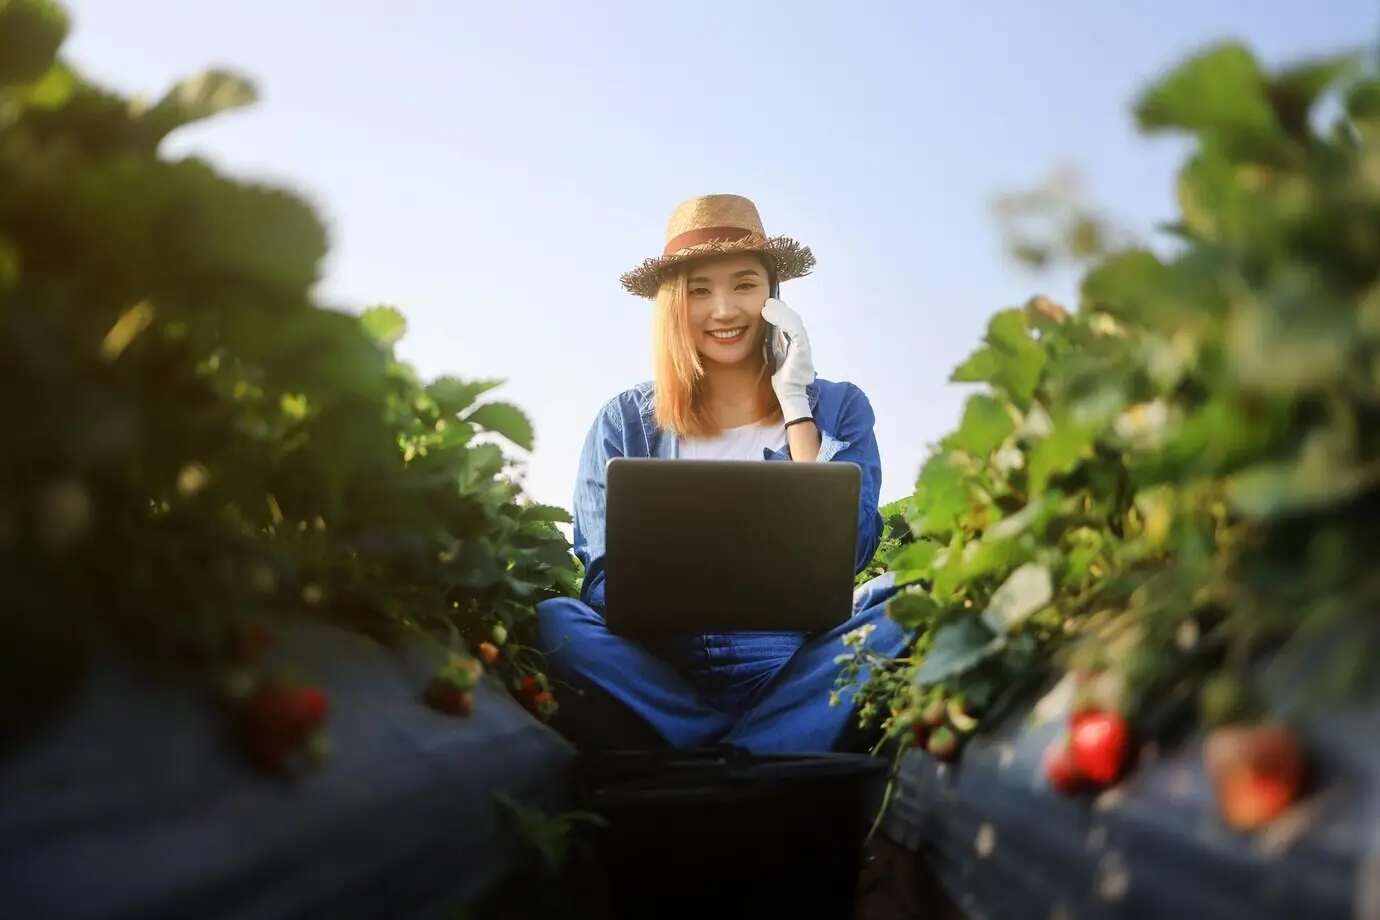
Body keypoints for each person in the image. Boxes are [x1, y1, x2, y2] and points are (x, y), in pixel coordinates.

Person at [534, 193, 909, 754]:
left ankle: (703, 753)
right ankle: (765, 747)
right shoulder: (623, 421)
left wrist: (795, 404)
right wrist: (693, 595)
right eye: (700, 291)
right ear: (672, 306)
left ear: (773, 296)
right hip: (663, 667)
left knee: (904, 597)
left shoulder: (839, 407)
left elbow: (850, 550)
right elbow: (602, 580)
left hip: (794, 661)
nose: (725, 310)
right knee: (556, 621)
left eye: (744, 285)